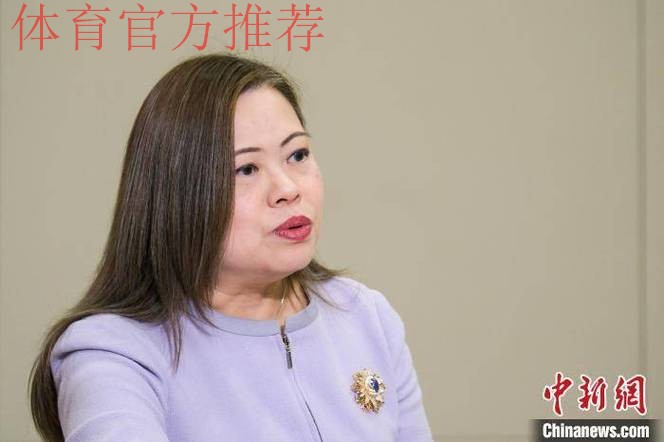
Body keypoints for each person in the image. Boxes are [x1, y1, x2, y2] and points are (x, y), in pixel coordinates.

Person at [28, 53, 433, 442]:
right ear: (179, 193)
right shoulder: (113, 352)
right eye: (247, 169)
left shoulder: (365, 317)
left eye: (297, 155)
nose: (288, 189)